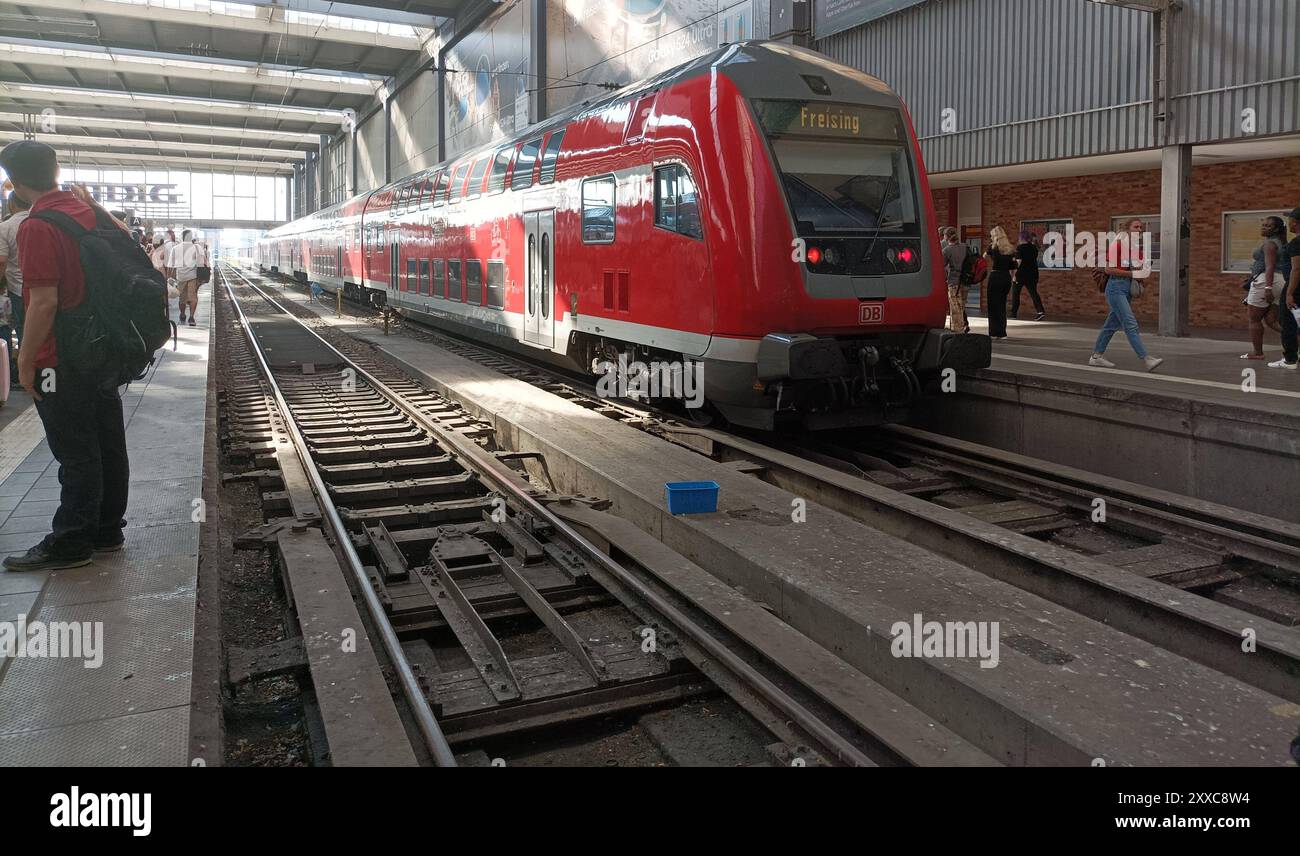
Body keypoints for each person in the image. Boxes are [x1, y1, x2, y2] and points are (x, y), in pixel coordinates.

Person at [0, 140, 130, 572]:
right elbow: (128, 243)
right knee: (108, 439)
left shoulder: (36, 226)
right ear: (56, 170)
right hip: (102, 349)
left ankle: (72, 542)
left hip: (61, 356)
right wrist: (95, 204)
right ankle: (108, 530)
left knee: (74, 449)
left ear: (13, 183)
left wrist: (25, 360)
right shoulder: (83, 211)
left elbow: (43, 303)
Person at [1089, 217, 1163, 372]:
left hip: (1127, 290)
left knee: (1111, 325)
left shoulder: (1137, 250)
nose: (1140, 230)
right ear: (1127, 229)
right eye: (1136, 227)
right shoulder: (1117, 246)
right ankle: (1146, 359)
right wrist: (1132, 274)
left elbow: (1140, 271)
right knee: (1130, 323)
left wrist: (1142, 273)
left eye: (1141, 227)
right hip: (1115, 287)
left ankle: (1096, 357)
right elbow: (1109, 270)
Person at [1242, 216, 1290, 361]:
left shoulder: (1270, 244)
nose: (1263, 227)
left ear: (1276, 229)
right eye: (1263, 224)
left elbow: (1270, 267)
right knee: (1271, 321)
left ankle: (1258, 353)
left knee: (1254, 319)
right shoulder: (1280, 242)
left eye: (1268, 226)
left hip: (1267, 282)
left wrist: (1267, 287)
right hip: (1280, 282)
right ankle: (1295, 341)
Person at [1269, 208, 1300, 370]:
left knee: (1287, 321)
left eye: (1290, 220)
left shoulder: (1296, 243)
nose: (1288, 224)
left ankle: (1290, 360)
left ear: (1295, 222)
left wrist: (1289, 293)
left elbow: (1297, 269)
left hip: (1296, 287)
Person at [0, 192, 30, 355]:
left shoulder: (6, 227)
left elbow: (2, 261)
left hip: (17, 289)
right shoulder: (39, 221)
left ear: (11, 203)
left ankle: (25, 371)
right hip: (43, 286)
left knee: (22, 328)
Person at [985, 226, 1016, 339]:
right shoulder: (1010, 248)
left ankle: (993, 332)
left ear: (994, 236)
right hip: (1006, 278)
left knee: (993, 305)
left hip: (995, 276)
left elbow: (983, 258)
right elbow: (1014, 266)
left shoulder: (992, 247)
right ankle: (1002, 333)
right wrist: (1012, 277)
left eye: (991, 235)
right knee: (1002, 305)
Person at [1011, 231, 1046, 321]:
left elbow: (1018, 262)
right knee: (1034, 293)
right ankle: (1040, 311)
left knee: (1016, 293)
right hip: (1033, 273)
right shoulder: (1034, 248)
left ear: (1021, 238)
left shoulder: (1020, 248)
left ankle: (1013, 314)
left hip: (1021, 274)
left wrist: (1014, 274)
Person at [941, 227, 970, 333]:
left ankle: (957, 330)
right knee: (961, 306)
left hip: (954, 281)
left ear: (946, 237)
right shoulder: (965, 247)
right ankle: (962, 326)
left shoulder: (947, 250)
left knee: (955, 308)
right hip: (966, 281)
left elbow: (941, 265)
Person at [171, 229, 202, 326]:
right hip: (192, 276)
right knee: (193, 297)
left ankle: (182, 314)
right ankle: (192, 317)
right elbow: (200, 263)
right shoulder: (195, 248)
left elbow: (172, 264)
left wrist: (170, 277)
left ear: (182, 236)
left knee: (182, 298)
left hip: (180, 276)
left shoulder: (175, 248)